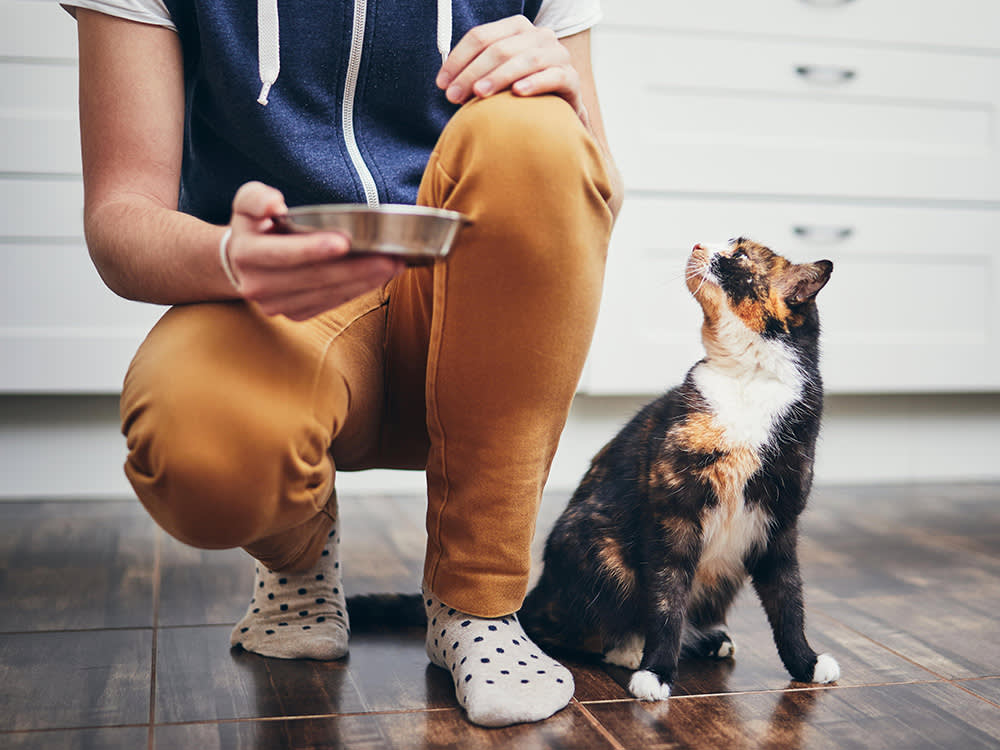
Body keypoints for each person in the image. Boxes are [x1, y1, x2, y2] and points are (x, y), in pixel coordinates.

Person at [64, 0, 622, 728]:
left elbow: (597, 188)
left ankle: (478, 601)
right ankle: (296, 560)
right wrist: (232, 257)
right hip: (274, 304)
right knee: (200, 451)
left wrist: (566, 109)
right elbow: (120, 217)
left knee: (539, 130)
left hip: (472, 297)